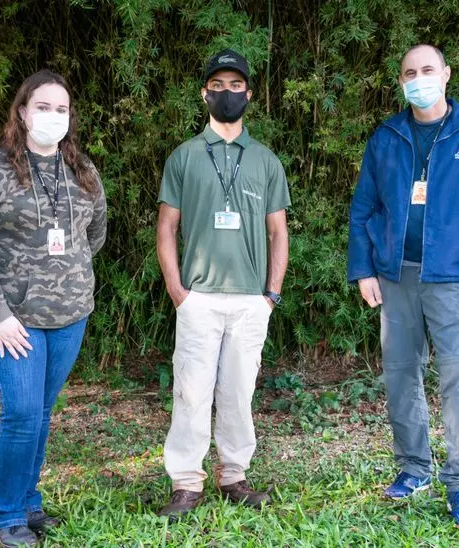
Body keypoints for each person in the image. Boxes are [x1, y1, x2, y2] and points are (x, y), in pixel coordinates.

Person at [346, 44, 459, 529]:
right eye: (409, 73)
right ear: (401, 82)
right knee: (400, 375)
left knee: (458, 379)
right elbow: (363, 208)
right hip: (396, 275)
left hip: (454, 277)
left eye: (427, 70)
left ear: (446, 74)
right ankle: (414, 468)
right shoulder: (387, 136)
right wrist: (364, 270)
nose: (418, 79)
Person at [0, 69, 107, 546]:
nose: (52, 116)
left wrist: (69, 277)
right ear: (22, 112)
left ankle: (28, 502)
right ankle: (6, 513)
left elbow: (95, 233)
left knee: (41, 412)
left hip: (70, 316)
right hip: (15, 320)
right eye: (43, 107)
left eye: (61, 109)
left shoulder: (82, 170)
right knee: (21, 413)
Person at [155, 49, 291, 519]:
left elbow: (278, 232)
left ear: (249, 94)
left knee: (238, 393)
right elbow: (167, 227)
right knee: (190, 392)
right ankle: (186, 483)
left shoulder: (266, 161)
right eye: (218, 86)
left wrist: (271, 294)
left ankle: (233, 475)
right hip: (199, 297)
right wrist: (178, 291)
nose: (227, 93)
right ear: (204, 94)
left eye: (235, 86)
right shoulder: (185, 157)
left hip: (251, 300)